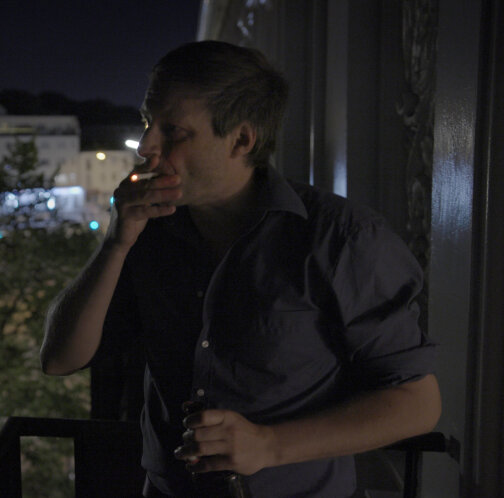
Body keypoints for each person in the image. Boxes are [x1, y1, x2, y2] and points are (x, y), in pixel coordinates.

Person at [40, 40, 441, 497]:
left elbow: (417, 403)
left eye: (173, 131)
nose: (147, 147)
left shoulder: (339, 238)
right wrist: (116, 242)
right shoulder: (149, 231)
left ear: (242, 140)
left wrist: (269, 445)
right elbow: (60, 358)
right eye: (148, 123)